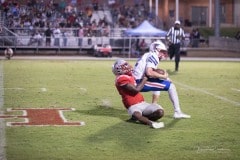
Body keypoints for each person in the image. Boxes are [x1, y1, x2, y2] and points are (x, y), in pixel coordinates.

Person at [133, 40, 191, 119]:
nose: (164, 54)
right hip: (139, 83)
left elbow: (149, 74)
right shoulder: (153, 56)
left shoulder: (148, 54)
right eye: (163, 51)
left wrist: (164, 77)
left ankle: (154, 105)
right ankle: (177, 112)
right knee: (171, 86)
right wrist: (164, 76)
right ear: (157, 49)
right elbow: (149, 72)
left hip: (137, 80)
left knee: (159, 81)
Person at [112, 59, 165, 129]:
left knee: (160, 112)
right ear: (119, 69)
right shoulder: (121, 79)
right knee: (137, 115)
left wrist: (153, 72)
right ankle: (151, 123)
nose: (128, 66)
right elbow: (136, 90)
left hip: (143, 103)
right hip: (132, 105)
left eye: (126, 64)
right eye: (124, 65)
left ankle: (143, 118)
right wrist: (145, 77)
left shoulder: (129, 75)